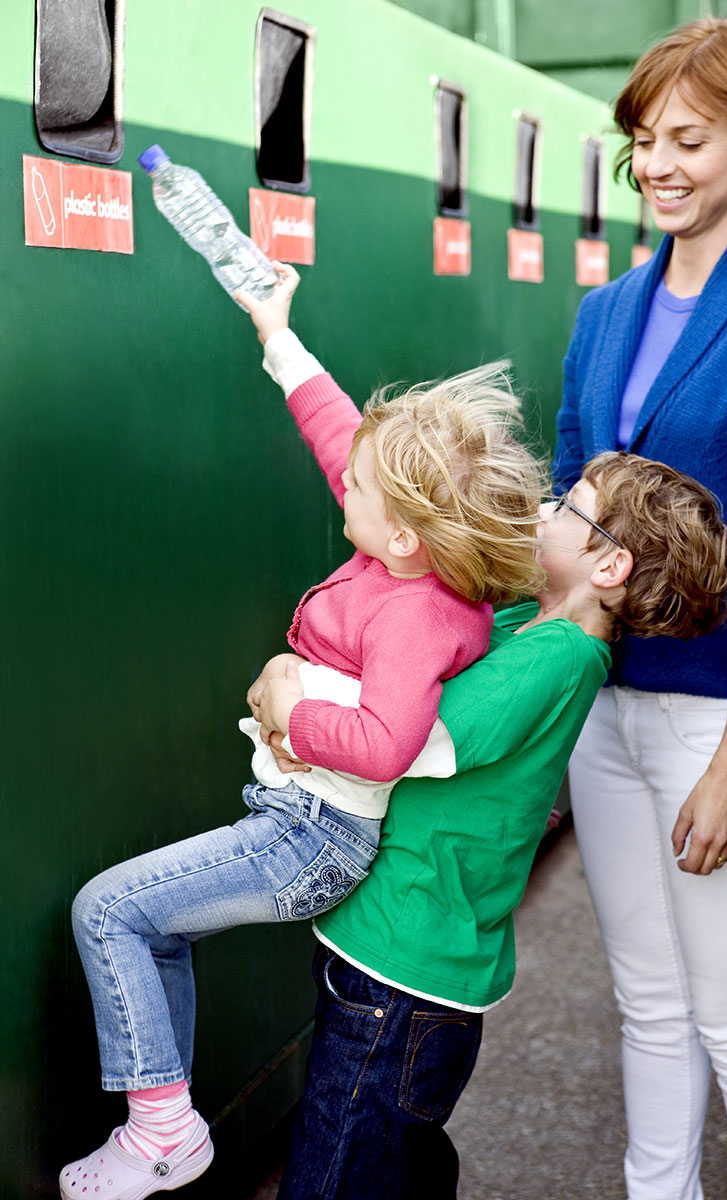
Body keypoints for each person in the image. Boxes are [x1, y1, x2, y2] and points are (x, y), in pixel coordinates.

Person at [58, 270, 546, 1199]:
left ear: (404, 534)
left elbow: (385, 744)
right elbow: (338, 439)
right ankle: (163, 1120)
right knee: (146, 924)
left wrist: (290, 711)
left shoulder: (414, 617)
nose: (342, 486)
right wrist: (277, 335)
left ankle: (163, 1131)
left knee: (109, 910)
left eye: (357, 490)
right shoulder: (401, 553)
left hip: (310, 839)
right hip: (295, 817)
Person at [265, 449, 727, 1200]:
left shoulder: (557, 654)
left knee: (336, 1171)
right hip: (408, 957)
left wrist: (296, 714)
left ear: (609, 567)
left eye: (566, 504)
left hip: (405, 967)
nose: (544, 510)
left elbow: (414, 742)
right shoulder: (530, 620)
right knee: (394, 1155)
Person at [553, 17, 727, 1198]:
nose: (656, 164)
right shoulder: (601, 314)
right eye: (642, 139)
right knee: (645, 1005)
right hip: (606, 720)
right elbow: (567, 508)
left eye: (687, 140)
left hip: (723, 724)